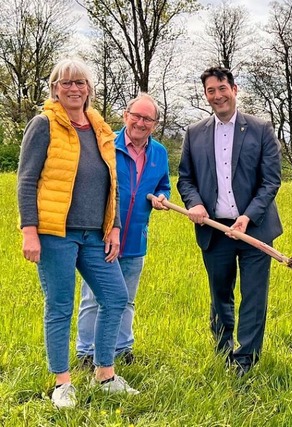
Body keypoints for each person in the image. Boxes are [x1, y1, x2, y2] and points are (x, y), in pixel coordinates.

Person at [17, 58, 139, 409]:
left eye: (80, 82)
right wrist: (30, 231)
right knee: (60, 306)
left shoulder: (101, 129)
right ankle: (62, 383)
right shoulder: (44, 125)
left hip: (94, 236)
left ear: (89, 88)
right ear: (55, 88)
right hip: (56, 233)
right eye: (66, 82)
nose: (74, 88)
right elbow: (26, 181)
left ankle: (105, 375)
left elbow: (112, 183)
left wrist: (114, 226)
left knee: (115, 297)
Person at [177, 66, 282, 377]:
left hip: (255, 230)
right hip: (215, 230)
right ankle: (223, 350)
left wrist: (248, 217)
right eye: (211, 90)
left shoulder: (261, 129)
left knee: (253, 295)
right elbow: (186, 179)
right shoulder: (194, 133)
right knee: (219, 292)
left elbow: (271, 181)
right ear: (206, 95)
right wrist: (194, 203)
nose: (217, 95)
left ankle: (246, 358)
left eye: (222, 88)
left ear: (235, 90)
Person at [76, 93, 171, 366]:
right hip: (100, 237)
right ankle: (87, 352)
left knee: (126, 300)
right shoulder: (105, 144)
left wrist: (162, 196)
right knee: (94, 298)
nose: (140, 123)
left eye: (148, 119)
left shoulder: (160, 154)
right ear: (126, 115)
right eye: (136, 116)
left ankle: (121, 349)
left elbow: (163, 185)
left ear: (155, 123)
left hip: (135, 239)